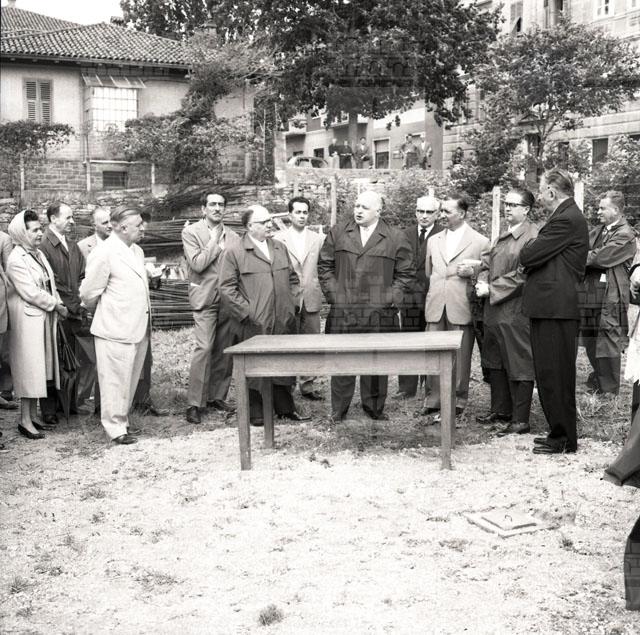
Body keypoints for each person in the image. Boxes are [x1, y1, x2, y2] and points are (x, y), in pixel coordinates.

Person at [318, 190, 414, 421]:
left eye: (364, 207)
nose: (358, 211)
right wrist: (336, 296)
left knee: (375, 361)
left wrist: (387, 299)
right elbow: (325, 266)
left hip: (378, 313)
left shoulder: (395, 237)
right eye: (356, 206)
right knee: (342, 361)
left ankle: (374, 408)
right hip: (344, 311)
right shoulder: (339, 232)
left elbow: (405, 273)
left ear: (378, 211)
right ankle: (339, 409)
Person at [219, 204, 309, 425]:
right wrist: (248, 313)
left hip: (283, 319)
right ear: (250, 226)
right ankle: (257, 411)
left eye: (269, 220)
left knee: (283, 362)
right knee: (255, 365)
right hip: (253, 323)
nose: (270, 225)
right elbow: (226, 289)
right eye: (264, 222)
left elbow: (293, 279)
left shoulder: (279, 247)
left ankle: (285, 408)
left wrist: (292, 304)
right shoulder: (234, 252)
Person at [520, 168, 589, 455]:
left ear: (551, 191)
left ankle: (563, 438)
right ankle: (558, 432)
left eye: (541, 191)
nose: (539, 197)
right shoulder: (565, 217)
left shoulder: (565, 219)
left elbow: (528, 255)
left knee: (555, 374)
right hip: (551, 308)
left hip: (555, 309)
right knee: (550, 372)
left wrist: (531, 246)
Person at [79, 207, 150, 446]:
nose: (143, 228)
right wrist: (108, 311)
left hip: (137, 326)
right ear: (122, 228)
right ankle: (115, 428)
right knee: (113, 380)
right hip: (114, 326)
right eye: (138, 224)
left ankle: (122, 420)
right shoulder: (104, 252)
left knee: (129, 378)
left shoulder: (137, 251)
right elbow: (88, 293)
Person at [474, 189, 539, 434]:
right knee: (495, 360)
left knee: (519, 361)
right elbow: (487, 263)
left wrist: (491, 289)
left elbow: (525, 274)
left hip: (515, 311)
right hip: (495, 309)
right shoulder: (505, 234)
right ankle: (500, 410)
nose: (507, 208)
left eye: (513, 205)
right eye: (506, 204)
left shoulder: (532, 236)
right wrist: (481, 279)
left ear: (526, 209)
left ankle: (520, 419)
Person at [421, 192, 490, 414]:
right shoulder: (433, 240)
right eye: (441, 210)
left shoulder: (480, 242)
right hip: (436, 305)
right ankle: (433, 399)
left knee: (460, 357)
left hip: (461, 306)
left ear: (461, 214)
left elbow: (487, 275)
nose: (442, 215)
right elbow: (429, 272)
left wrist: (473, 273)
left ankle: (458, 401)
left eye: (447, 211)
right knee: (433, 353)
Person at [5, 210, 68, 439]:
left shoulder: (38, 254)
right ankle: (24, 420)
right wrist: (56, 305)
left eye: (40, 229)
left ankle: (32, 416)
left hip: (41, 318)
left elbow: (50, 284)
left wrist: (58, 301)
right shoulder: (16, 259)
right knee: (28, 369)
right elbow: (30, 292)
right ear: (22, 233)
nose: (40, 233)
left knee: (38, 369)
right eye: (34, 230)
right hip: (27, 320)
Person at [182, 191, 240, 424]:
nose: (217, 208)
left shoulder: (234, 236)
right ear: (203, 209)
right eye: (212, 204)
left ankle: (217, 396)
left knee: (224, 349)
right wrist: (214, 240)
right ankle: (195, 403)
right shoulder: (191, 232)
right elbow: (198, 263)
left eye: (221, 204)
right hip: (204, 298)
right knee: (204, 347)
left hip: (228, 300)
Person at [580, 191, 635, 395]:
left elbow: (600, 257)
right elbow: (581, 247)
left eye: (603, 208)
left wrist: (577, 257)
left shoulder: (626, 235)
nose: (598, 211)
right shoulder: (599, 231)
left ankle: (609, 391)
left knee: (608, 339)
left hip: (611, 294)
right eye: (599, 207)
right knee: (591, 338)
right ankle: (598, 380)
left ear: (616, 210)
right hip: (591, 291)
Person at [39, 202, 90, 421]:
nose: (72, 221)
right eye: (68, 217)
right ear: (53, 218)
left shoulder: (72, 245)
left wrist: (80, 302)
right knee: (52, 360)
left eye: (72, 217)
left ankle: (68, 406)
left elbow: (82, 276)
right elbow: (51, 283)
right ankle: (49, 411)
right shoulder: (43, 245)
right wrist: (69, 305)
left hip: (73, 311)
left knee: (71, 358)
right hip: (56, 310)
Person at [274, 196, 325, 401]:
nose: (302, 216)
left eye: (305, 212)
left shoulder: (318, 239)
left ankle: (308, 385)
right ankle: (287, 384)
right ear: (289, 215)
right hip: (289, 298)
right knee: (288, 341)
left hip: (311, 297)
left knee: (311, 342)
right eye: (298, 212)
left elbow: (323, 267)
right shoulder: (278, 239)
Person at [397, 194, 442, 398]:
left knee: (431, 342)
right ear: (415, 212)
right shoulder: (404, 235)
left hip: (433, 297)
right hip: (409, 299)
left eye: (429, 212)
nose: (424, 215)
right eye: (420, 211)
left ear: (437, 214)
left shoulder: (443, 234)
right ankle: (406, 388)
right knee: (408, 341)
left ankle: (430, 388)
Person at [0, 229, 17, 411]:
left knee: (4, 349)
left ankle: (5, 390)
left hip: (0, 301)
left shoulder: (4, 239)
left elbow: (8, 272)